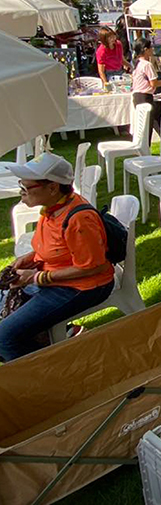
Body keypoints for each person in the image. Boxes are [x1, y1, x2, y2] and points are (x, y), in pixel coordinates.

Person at [0, 154, 115, 361]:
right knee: (3, 303)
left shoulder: (78, 219)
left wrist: (36, 278)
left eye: (26, 188)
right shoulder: (52, 209)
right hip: (60, 279)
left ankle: (41, 379)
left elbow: (93, 267)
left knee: (4, 336)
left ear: (52, 188)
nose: (21, 193)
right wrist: (30, 258)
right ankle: (46, 345)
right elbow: (55, 248)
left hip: (84, 287)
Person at [132, 39, 161, 140]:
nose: (152, 49)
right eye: (150, 48)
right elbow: (153, 83)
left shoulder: (138, 63)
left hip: (138, 95)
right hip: (144, 96)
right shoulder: (147, 64)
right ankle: (148, 146)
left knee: (151, 121)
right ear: (146, 50)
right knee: (148, 125)